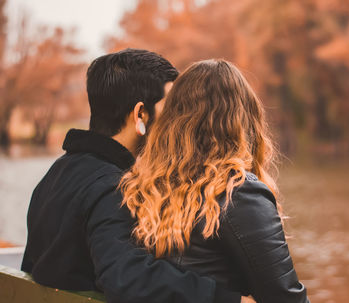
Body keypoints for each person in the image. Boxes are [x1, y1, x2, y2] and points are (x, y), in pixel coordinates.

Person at [21, 49, 253, 303]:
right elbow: (127, 276)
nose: (177, 121)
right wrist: (230, 300)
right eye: (172, 109)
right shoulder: (113, 188)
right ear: (140, 114)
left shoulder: (57, 173)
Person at [120, 59, 310, 303]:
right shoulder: (239, 191)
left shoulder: (142, 187)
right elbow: (285, 298)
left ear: (172, 120)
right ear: (245, 118)